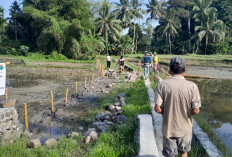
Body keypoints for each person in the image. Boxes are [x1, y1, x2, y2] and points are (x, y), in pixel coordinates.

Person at [154, 57, 201, 157]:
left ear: (170, 69)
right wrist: (186, 113)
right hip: (185, 128)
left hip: (169, 128)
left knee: (170, 155)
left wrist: (165, 112)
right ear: (184, 70)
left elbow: (157, 108)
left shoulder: (162, 84)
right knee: (184, 152)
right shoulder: (192, 86)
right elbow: (196, 111)